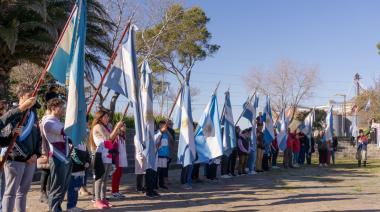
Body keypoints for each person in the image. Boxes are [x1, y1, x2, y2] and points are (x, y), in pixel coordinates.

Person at [2, 84, 41, 212]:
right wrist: (26, 157)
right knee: (10, 192)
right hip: (15, 159)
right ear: (21, 96)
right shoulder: (13, 112)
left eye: (33, 97)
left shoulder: (33, 114)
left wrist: (36, 154)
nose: (32, 99)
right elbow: (8, 137)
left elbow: (37, 136)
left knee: (23, 192)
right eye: (29, 96)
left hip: (31, 160)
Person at [41, 98, 72, 212]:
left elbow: (69, 137)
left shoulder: (58, 121)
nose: (63, 109)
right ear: (53, 108)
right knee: (57, 187)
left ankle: (56, 208)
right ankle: (54, 209)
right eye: (61, 107)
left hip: (64, 156)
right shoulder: (48, 121)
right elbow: (66, 132)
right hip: (57, 157)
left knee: (63, 186)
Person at [89, 110, 123, 209]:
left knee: (105, 180)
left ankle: (104, 199)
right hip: (100, 155)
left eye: (108, 117)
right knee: (99, 179)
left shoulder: (105, 127)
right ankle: (97, 200)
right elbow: (108, 138)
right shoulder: (98, 126)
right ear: (100, 117)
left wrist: (117, 130)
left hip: (107, 155)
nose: (107, 118)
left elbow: (111, 141)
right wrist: (116, 127)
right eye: (106, 117)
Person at [66, 143, 90, 212]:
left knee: (76, 188)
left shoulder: (83, 144)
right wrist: (83, 163)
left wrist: (88, 162)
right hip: (74, 170)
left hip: (81, 170)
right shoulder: (72, 142)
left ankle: (74, 205)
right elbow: (74, 155)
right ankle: (70, 206)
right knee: (72, 189)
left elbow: (88, 154)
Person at [111, 123, 128, 199]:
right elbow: (113, 147)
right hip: (117, 159)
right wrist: (114, 159)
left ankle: (117, 191)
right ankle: (114, 192)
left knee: (119, 175)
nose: (125, 127)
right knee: (115, 176)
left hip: (122, 159)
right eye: (123, 126)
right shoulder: (116, 136)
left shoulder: (123, 136)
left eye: (125, 126)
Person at [156, 120, 170, 190]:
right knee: (158, 171)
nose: (165, 127)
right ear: (160, 126)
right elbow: (156, 144)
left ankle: (161, 184)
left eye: (165, 125)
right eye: (163, 125)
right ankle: (155, 184)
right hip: (159, 155)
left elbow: (166, 146)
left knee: (163, 171)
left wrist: (167, 155)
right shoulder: (158, 134)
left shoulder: (166, 135)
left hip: (164, 156)